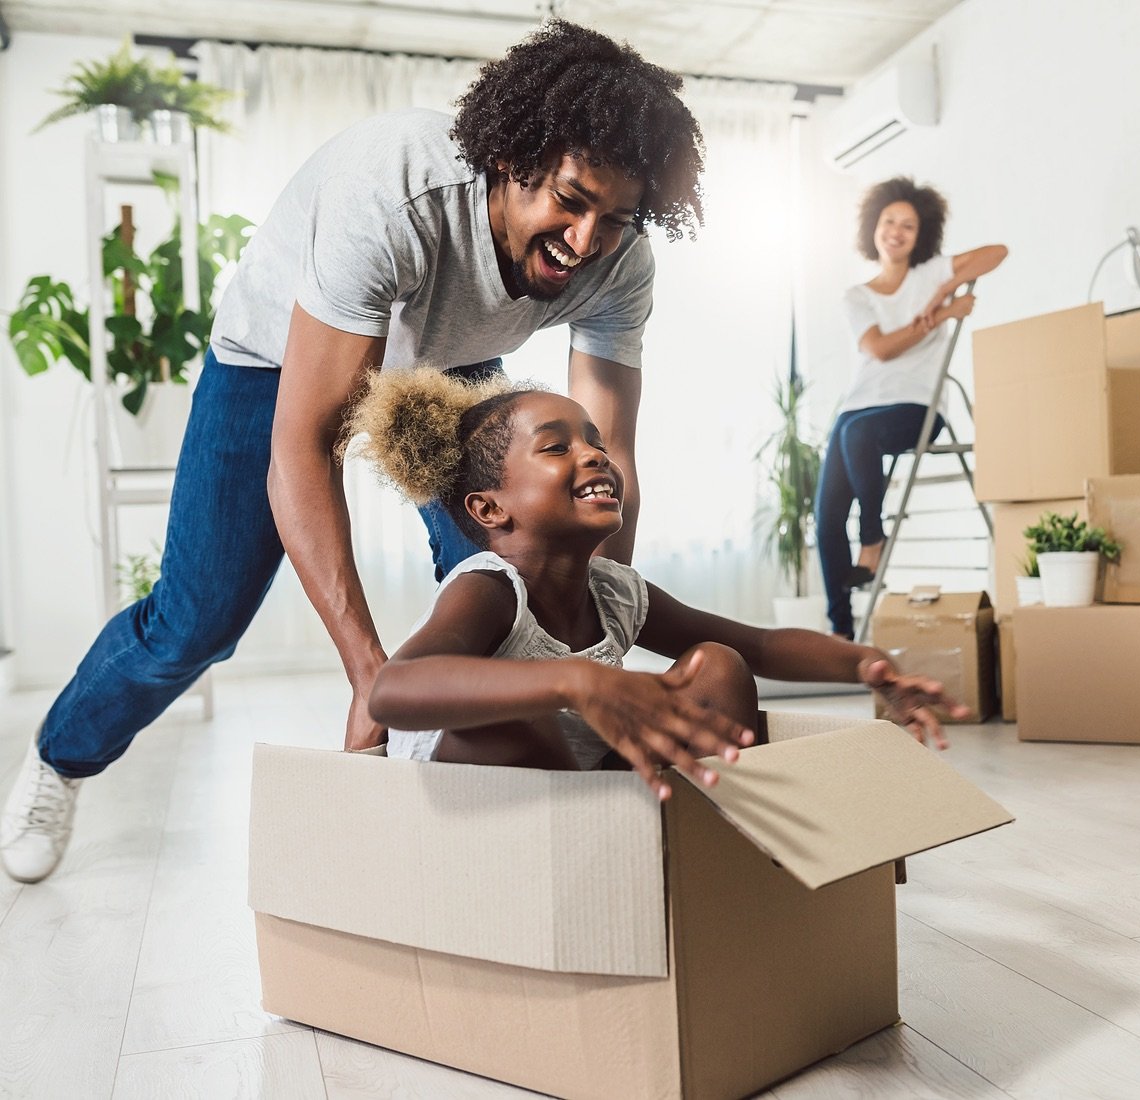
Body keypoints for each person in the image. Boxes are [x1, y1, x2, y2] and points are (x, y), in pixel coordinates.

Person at [0, 21, 707, 883]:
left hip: (454, 360)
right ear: (516, 158)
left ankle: (495, 810)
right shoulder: (396, 192)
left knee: (516, 562)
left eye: (616, 216)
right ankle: (60, 758)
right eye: (570, 199)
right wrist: (370, 675)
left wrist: (596, 635)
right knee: (197, 620)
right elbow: (305, 444)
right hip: (275, 362)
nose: (586, 241)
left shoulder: (619, 262)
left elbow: (608, 458)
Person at [356, 369, 968, 799]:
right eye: (556, 447)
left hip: (583, 780)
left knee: (718, 666)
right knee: (524, 713)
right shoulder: (489, 588)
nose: (594, 455)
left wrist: (865, 664)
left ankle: (699, 841)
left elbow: (758, 646)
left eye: (595, 442)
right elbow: (391, 691)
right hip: (469, 792)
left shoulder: (614, 592)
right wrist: (576, 678)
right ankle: (598, 841)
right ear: (491, 510)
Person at [815, 178, 1007, 639]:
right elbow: (879, 349)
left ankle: (873, 538)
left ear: (922, 235)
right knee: (825, 520)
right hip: (858, 409)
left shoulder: (931, 272)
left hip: (916, 408)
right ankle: (841, 632)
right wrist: (941, 315)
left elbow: (997, 252)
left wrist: (946, 288)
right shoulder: (857, 296)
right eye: (888, 222)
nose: (897, 231)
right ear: (873, 228)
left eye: (908, 224)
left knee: (856, 433)